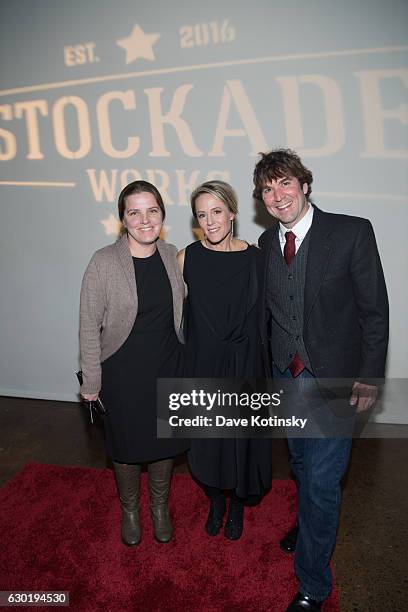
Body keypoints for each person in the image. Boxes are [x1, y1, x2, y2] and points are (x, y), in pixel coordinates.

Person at [253, 149, 389, 611]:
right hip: (286, 378)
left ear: (305, 185)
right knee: (302, 466)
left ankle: (313, 586)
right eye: (268, 189)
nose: (277, 196)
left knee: (322, 483)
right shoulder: (267, 244)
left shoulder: (352, 232)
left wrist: (369, 378)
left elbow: (374, 313)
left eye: (285, 184)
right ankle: (308, 523)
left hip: (334, 380)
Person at [79, 180, 188, 546]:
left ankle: (158, 507)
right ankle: (130, 509)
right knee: (125, 446)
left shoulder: (173, 255)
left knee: (163, 443)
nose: (145, 220)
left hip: (168, 366)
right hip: (123, 372)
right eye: (134, 212)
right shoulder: (104, 261)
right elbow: (88, 325)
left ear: (162, 215)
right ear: (122, 219)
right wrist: (91, 383)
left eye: (152, 211)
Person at [177, 180, 272, 541]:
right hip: (203, 363)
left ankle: (236, 506)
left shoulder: (257, 259)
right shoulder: (187, 258)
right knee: (208, 440)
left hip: (245, 363)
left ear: (232, 213)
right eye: (202, 215)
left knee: (240, 440)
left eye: (217, 212)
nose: (210, 221)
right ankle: (215, 500)